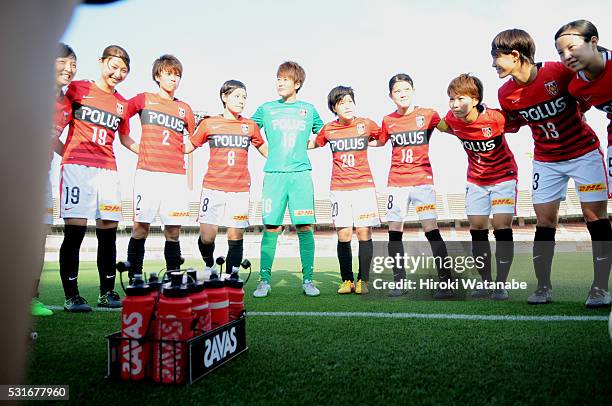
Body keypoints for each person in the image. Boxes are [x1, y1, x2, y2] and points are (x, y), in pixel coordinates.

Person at [492, 28, 611, 307]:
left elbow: (585, 97)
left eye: (496, 57)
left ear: (515, 55)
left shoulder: (559, 71)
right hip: (546, 160)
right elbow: (513, 122)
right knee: (545, 222)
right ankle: (543, 287)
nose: (493, 64)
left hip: (584, 153)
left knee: (595, 219)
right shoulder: (505, 93)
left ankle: (600, 288)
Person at [59, 45, 135, 312]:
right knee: (75, 232)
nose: (117, 73)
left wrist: (151, 150)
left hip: (108, 170)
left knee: (108, 233)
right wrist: (65, 153)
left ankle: (107, 292)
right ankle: (72, 296)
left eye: (123, 70)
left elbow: (125, 139)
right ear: (101, 62)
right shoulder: (78, 88)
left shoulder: (122, 104)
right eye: (113, 66)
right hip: (77, 168)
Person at [439, 74, 518, 300]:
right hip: (475, 180)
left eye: (460, 98)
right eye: (451, 99)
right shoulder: (451, 119)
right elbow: (444, 127)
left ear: (475, 99)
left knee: (502, 226)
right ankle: (486, 283)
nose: (454, 104)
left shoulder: (496, 118)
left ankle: (501, 284)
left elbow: (519, 122)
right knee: (477, 228)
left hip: (504, 176)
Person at [376, 73, 454, 299]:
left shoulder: (428, 115)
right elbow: (379, 141)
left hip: (422, 181)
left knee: (432, 231)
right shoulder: (387, 120)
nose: (402, 93)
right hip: (397, 183)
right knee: (394, 234)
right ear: (390, 96)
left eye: (406, 89)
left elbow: (449, 128)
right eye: (397, 90)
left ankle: (446, 282)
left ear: (413, 91)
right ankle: (399, 282)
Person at [250, 61, 324, 297]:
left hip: (300, 175)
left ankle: (308, 280)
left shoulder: (308, 109)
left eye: (285, 79)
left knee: (304, 226)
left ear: (297, 83)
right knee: (271, 227)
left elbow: (324, 134)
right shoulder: (266, 108)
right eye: (278, 78)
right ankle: (264, 281)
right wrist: (265, 151)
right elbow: (250, 130)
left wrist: (307, 147)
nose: (280, 83)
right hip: (274, 175)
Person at [554, 20, 611, 307]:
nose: (567, 57)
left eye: (572, 47)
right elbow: (583, 106)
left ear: (593, 41)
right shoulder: (576, 86)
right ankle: (601, 287)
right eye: (561, 52)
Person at [123, 55, 194, 279]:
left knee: (173, 231)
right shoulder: (142, 100)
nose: (174, 78)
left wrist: (178, 152)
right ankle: (135, 277)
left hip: (174, 177)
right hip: (148, 175)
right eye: (169, 73)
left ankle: (174, 278)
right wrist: (140, 149)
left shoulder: (184, 109)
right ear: (157, 75)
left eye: (177, 75)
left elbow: (192, 141)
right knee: (140, 228)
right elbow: (121, 124)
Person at [185, 80, 267, 276]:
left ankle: (231, 278)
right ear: (224, 97)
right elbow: (188, 147)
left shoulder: (250, 126)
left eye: (244, 97)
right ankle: (210, 265)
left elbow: (265, 151)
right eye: (237, 96)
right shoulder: (209, 123)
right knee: (207, 237)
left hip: (239, 190)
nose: (241, 101)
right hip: (212, 188)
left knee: (235, 234)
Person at [309, 86, 380, 295]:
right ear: (334, 108)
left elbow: (383, 137)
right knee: (344, 234)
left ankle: (363, 280)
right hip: (339, 188)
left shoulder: (366, 124)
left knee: (364, 232)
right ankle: (347, 280)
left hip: (363, 187)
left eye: (350, 101)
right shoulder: (329, 129)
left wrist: (372, 143)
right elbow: (315, 143)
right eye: (342, 103)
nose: (347, 106)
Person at [33, 43, 77, 317]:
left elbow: (54, 138)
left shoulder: (67, 105)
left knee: (37, 238)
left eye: (73, 64)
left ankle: (30, 297)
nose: (69, 69)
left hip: (43, 176)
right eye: (63, 62)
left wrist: (71, 154)